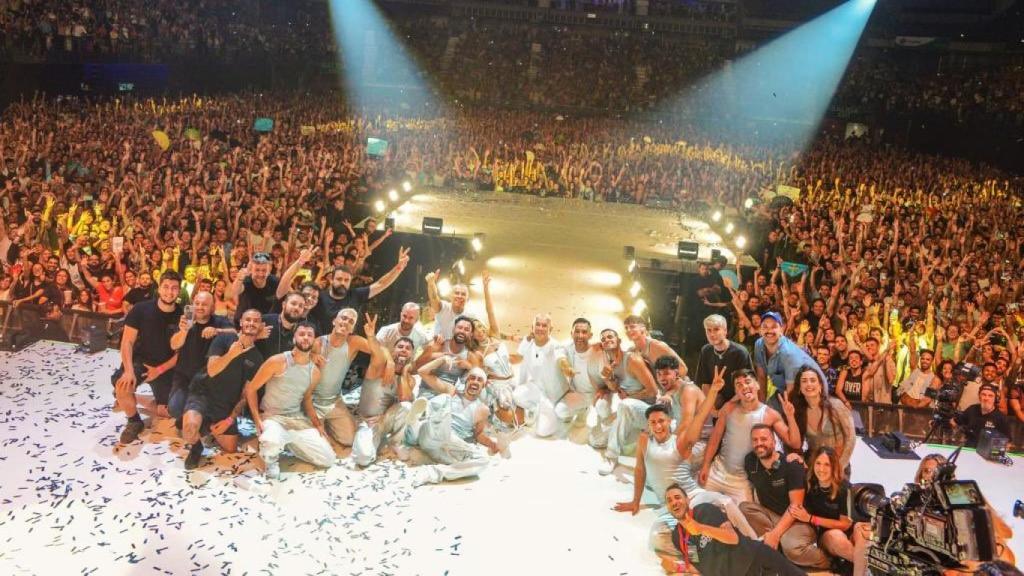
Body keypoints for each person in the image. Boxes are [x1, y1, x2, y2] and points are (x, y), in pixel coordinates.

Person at [245, 321, 335, 481]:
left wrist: (317, 424)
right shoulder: (277, 361)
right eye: (301, 334)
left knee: (328, 459)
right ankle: (272, 456)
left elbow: (306, 399)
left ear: (314, 340)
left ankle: (287, 440)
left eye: (309, 335)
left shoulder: (314, 372)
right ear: (294, 337)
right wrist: (257, 418)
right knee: (270, 440)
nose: (305, 338)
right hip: (273, 417)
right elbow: (250, 389)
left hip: (296, 420)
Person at [180, 309, 265, 469]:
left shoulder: (257, 358)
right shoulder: (225, 338)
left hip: (225, 403)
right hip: (202, 393)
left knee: (231, 447)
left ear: (260, 326)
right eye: (248, 319)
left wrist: (229, 420)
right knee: (189, 429)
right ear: (241, 322)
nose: (251, 323)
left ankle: (206, 426)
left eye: (256, 321)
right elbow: (212, 370)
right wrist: (232, 354)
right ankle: (197, 446)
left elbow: (245, 394)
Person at [659, 483, 806, 576]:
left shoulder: (704, 510)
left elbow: (732, 537)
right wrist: (676, 568)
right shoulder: (677, 536)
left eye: (677, 497)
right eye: (669, 500)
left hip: (755, 559)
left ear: (687, 500)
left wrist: (701, 528)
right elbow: (700, 564)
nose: (674, 502)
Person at [699, 369, 800, 503]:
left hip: (743, 480)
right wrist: (706, 465)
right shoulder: (728, 408)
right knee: (699, 506)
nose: (744, 387)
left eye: (747, 382)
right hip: (718, 471)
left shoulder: (770, 414)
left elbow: (795, 443)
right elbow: (715, 439)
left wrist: (790, 417)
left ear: (757, 385)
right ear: (736, 391)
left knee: (744, 518)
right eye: (739, 384)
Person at [740, 424, 831, 570]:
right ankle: (776, 548)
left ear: (774, 442)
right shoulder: (750, 461)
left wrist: (775, 534)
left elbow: (796, 506)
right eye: (755, 440)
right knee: (744, 508)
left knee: (792, 549)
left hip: (798, 519)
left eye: (764, 439)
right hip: (772, 515)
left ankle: (827, 560)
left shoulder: (791, 465)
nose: (759, 443)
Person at [112, 271, 183, 444]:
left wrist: (159, 370)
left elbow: (181, 354)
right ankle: (134, 421)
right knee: (123, 386)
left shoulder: (183, 315)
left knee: (168, 411)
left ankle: (132, 399)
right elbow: (127, 342)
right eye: (166, 287)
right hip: (140, 362)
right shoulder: (141, 309)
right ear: (159, 288)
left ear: (179, 291)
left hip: (165, 367)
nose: (169, 291)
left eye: (174, 288)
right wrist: (128, 371)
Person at [406, 367, 503, 486]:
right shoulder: (452, 392)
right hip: (432, 431)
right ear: (466, 381)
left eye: (479, 380)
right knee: (444, 400)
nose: (475, 382)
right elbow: (423, 373)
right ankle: (418, 421)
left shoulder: (483, 409)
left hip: (447, 447)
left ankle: (434, 472)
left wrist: (492, 444)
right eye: (472, 378)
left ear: (483, 386)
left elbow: (479, 434)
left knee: (483, 460)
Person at [788, 446, 867, 571]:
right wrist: (796, 457)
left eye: (827, 465)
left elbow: (846, 524)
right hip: (828, 535)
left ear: (834, 467)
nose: (821, 469)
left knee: (864, 532)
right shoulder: (810, 483)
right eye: (818, 463)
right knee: (837, 537)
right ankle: (864, 567)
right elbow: (798, 465)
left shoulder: (843, 488)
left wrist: (811, 518)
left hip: (849, 529)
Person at [308, 308, 377, 446]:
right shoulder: (318, 342)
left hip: (335, 401)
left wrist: (370, 336)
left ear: (352, 329)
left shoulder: (353, 342)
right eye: (343, 318)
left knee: (349, 440)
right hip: (313, 403)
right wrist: (311, 356)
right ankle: (320, 425)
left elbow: (377, 350)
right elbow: (297, 359)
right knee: (317, 443)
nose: (346, 322)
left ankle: (330, 424)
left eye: (351, 321)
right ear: (334, 321)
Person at [599, 327, 661, 474]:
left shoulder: (632, 359)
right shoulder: (611, 363)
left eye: (610, 337)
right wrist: (607, 377)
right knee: (596, 439)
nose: (607, 340)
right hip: (630, 413)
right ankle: (634, 440)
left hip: (649, 411)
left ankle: (611, 456)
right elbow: (615, 389)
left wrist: (627, 401)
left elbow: (653, 391)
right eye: (603, 339)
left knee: (624, 405)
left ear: (619, 340)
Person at [351, 334, 418, 467]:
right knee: (363, 459)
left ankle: (395, 443)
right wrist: (389, 359)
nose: (404, 350)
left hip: (386, 419)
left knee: (406, 406)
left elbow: (405, 398)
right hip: (368, 422)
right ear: (393, 350)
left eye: (408, 348)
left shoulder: (409, 379)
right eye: (400, 347)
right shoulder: (379, 367)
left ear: (411, 354)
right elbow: (378, 348)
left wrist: (403, 372)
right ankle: (375, 442)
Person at [308, 247, 410, 332]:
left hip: (348, 345)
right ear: (331, 280)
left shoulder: (355, 295)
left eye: (346, 280)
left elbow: (380, 284)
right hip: (321, 346)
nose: (343, 283)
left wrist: (398, 268)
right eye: (339, 279)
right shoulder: (319, 297)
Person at [167, 291, 234, 418]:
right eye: (197, 303)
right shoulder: (185, 321)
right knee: (175, 409)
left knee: (207, 411)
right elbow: (174, 345)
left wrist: (217, 331)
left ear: (212, 308)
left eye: (204, 304)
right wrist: (184, 331)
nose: (199, 307)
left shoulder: (219, 321)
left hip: (208, 378)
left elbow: (234, 333)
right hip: (184, 376)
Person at [754, 311, 827, 415]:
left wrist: (786, 418)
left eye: (774, 327)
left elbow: (792, 393)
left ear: (781, 330)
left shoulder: (788, 353)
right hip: (784, 390)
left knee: (783, 420)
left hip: (810, 393)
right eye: (765, 327)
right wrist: (760, 410)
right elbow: (761, 377)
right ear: (760, 330)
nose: (769, 331)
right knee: (764, 414)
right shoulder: (759, 344)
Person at [512, 313, 573, 438]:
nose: (540, 328)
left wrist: (567, 368)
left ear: (550, 329)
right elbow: (521, 364)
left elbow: (562, 359)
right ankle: (537, 409)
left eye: (544, 325)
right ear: (532, 328)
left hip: (555, 394)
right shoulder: (527, 343)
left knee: (543, 432)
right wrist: (519, 403)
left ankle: (562, 410)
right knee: (517, 394)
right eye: (537, 325)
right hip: (537, 388)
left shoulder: (556, 346)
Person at [789, 365, 856, 472]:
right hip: (814, 467)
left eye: (812, 380)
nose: (809, 384)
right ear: (800, 388)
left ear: (820, 385)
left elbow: (851, 439)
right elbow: (795, 443)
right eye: (804, 381)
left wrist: (838, 468)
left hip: (838, 466)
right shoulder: (799, 411)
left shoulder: (836, 405)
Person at [694, 314, 753, 409]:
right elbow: (704, 383)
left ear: (725, 331)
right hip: (715, 402)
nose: (712, 334)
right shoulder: (706, 350)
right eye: (708, 330)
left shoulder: (740, 352)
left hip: (739, 403)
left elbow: (746, 386)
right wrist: (712, 408)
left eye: (716, 329)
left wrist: (726, 409)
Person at [416, 315, 482, 399]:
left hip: (447, 395)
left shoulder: (470, 355)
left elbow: (479, 378)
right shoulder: (439, 344)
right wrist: (433, 355)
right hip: (426, 390)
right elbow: (417, 366)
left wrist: (468, 366)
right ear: (453, 329)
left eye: (466, 329)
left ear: (471, 334)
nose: (462, 331)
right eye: (460, 327)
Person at [624, 314, 687, 379]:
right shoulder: (631, 351)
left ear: (643, 328)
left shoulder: (656, 346)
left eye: (632, 327)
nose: (628, 330)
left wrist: (671, 387)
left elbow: (683, 369)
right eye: (626, 328)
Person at [228, 252, 281, 324]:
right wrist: (239, 279)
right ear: (251, 270)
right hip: (245, 323)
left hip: (264, 323)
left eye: (264, 270)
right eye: (257, 270)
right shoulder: (246, 280)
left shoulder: (274, 281)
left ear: (269, 270)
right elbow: (235, 291)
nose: (260, 274)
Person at [425, 268, 469, 341]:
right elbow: (434, 297)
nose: (460, 296)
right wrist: (431, 283)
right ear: (450, 296)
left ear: (467, 298)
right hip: (440, 348)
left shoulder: (471, 315)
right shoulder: (444, 307)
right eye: (457, 293)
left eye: (463, 294)